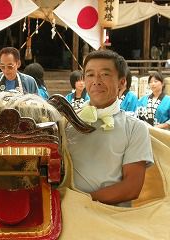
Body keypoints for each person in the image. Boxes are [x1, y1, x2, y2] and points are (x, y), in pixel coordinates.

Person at [65, 49, 154, 207]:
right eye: (90, 74)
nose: (96, 81)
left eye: (105, 74)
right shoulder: (66, 123)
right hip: (67, 213)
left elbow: (131, 188)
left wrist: (82, 201)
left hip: (113, 216)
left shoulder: (135, 128)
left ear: (122, 82)